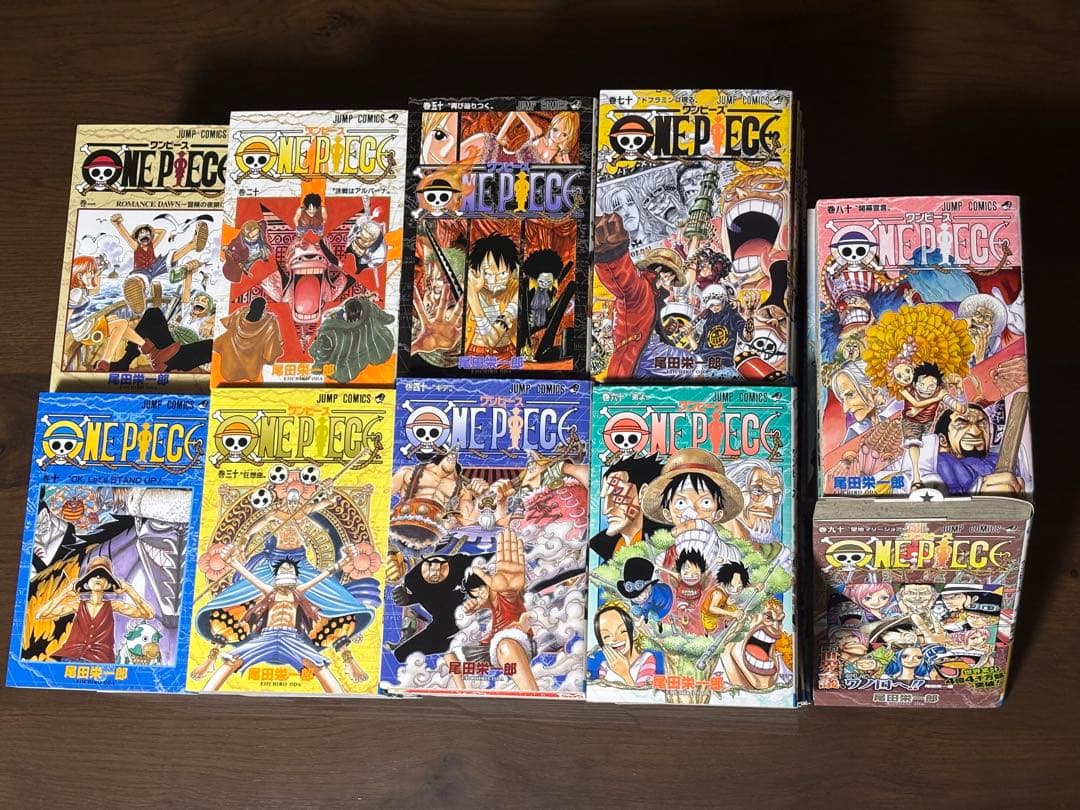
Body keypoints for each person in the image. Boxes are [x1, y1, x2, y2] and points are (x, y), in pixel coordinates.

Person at [35, 557, 154, 664]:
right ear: (87, 583)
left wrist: (130, 590)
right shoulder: (77, 605)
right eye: (93, 575)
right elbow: (41, 614)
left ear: (107, 584)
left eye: (103, 576)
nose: (98, 578)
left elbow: (148, 614)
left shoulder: (114, 605)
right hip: (70, 658)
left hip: (100, 660)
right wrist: (64, 593)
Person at [589, 453, 664, 561]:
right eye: (605, 497)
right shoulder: (601, 545)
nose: (606, 510)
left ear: (643, 492)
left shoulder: (666, 541)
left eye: (616, 492)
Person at [586, 604, 663, 688]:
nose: (615, 639)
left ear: (634, 633)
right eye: (606, 636)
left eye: (622, 631)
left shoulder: (646, 659)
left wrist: (625, 674)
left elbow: (642, 694)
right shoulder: (605, 665)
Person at [616, 557, 673, 633]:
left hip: (664, 604)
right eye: (634, 596)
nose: (637, 598)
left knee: (655, 617)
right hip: (655, 595)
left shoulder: (651, 597)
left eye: (639, 595)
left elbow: (646, 610)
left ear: (648, 588)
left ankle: (659, 623)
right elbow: (634, 602)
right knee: (635, 610)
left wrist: (640, 622)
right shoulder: (637, 596)